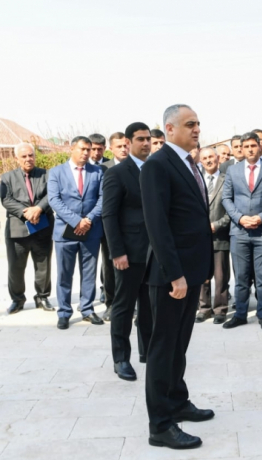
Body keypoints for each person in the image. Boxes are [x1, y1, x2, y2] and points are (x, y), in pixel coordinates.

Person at [140, 104, 214, 449]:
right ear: (169, 129)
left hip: (191, 270)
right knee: (162, 348)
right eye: (189, 124)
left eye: (198, 123)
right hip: (172, 276)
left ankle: (177, 401)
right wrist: (176, 275)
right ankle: (160, 425)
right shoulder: (158, 165)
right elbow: (158, 225)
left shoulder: (187, 162)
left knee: (179, 346)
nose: (197, 129)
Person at [102, 122, 154, 381]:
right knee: (123, 306)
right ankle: (121, 358)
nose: (146, 143)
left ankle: (148, 351)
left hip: (155, 253)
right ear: (129, 142)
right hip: (129, 253)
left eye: (149, 139)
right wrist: (117, 252)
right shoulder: (117, 173)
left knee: (150, 304)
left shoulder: (157, 170)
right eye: (140, 139)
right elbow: (109, 215)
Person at [221, 132, 262, 331]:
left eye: (254, 145)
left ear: (260, 146)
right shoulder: (233, 171)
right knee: (241, 278)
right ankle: (240, 314)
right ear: (242, 149)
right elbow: (226, 198)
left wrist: (261, 217)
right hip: (239, 231)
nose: (251, 149)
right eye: (246, 147)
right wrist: (239, 218)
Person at [47, 136, 105, 329]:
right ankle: (64, 312)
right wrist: (76, 221)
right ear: (71, 149)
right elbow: (54, 200)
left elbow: (103, 198)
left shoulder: (97, 172)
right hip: (65, 232)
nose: (87, 153)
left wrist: (88, 219)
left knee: (89, 273)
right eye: (82, 149)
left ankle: (87, 308)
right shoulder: (56, 172)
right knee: (64, 274)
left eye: (89, 149)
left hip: (91, 230)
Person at [2, 142, 55, 314]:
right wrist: (26, 213)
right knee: (16, 267)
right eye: (24, 156)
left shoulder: (46, 175)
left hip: (43, 227)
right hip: (17, 230)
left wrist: (38, 209)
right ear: (17, 159)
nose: (28, 159)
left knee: (43, 265)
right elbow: (6, 200)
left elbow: (51, 194)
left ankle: (42, 297)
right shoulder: (6, 177)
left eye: (31, 155)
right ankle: (17, 300)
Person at [196, 147, 231, 325]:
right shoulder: (197, 180)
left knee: (221, 274)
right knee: (202, 274)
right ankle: (204, 308)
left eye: (211, 157)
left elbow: (231, 209)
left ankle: (220, 309)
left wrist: (217, 225)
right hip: (200, 237)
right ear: (200, 161)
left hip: (220, 235)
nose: (209, 160)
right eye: (205, 158)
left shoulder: (227, 180)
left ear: (218, 158)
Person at [98, 131, 128, 319]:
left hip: (134, 227)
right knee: (110, 267)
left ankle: (132, 304)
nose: (123, 149)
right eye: (119, 146)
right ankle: (110, 303)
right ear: (111, 149)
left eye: (126, 145)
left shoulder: (140, 166)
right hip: (110, 226)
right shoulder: (102, 169)